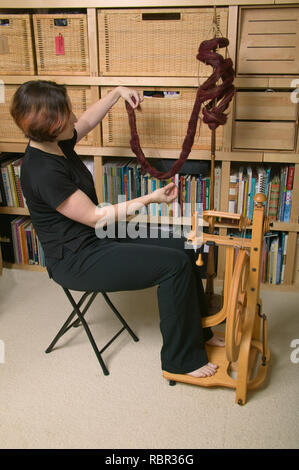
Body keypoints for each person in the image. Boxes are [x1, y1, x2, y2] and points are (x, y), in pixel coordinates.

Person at [11, 80, 223, 378]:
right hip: (77, 258)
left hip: (95, 237)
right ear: (50, 125)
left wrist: (117, 92)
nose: (74, 118)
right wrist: (149, 198)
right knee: (173, 266)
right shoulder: (42, 171)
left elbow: (86, 121)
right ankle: (182, 361)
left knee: (185, 245)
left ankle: (201, 333)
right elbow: (96, 216)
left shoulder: (55, 142)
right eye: (67, 114)